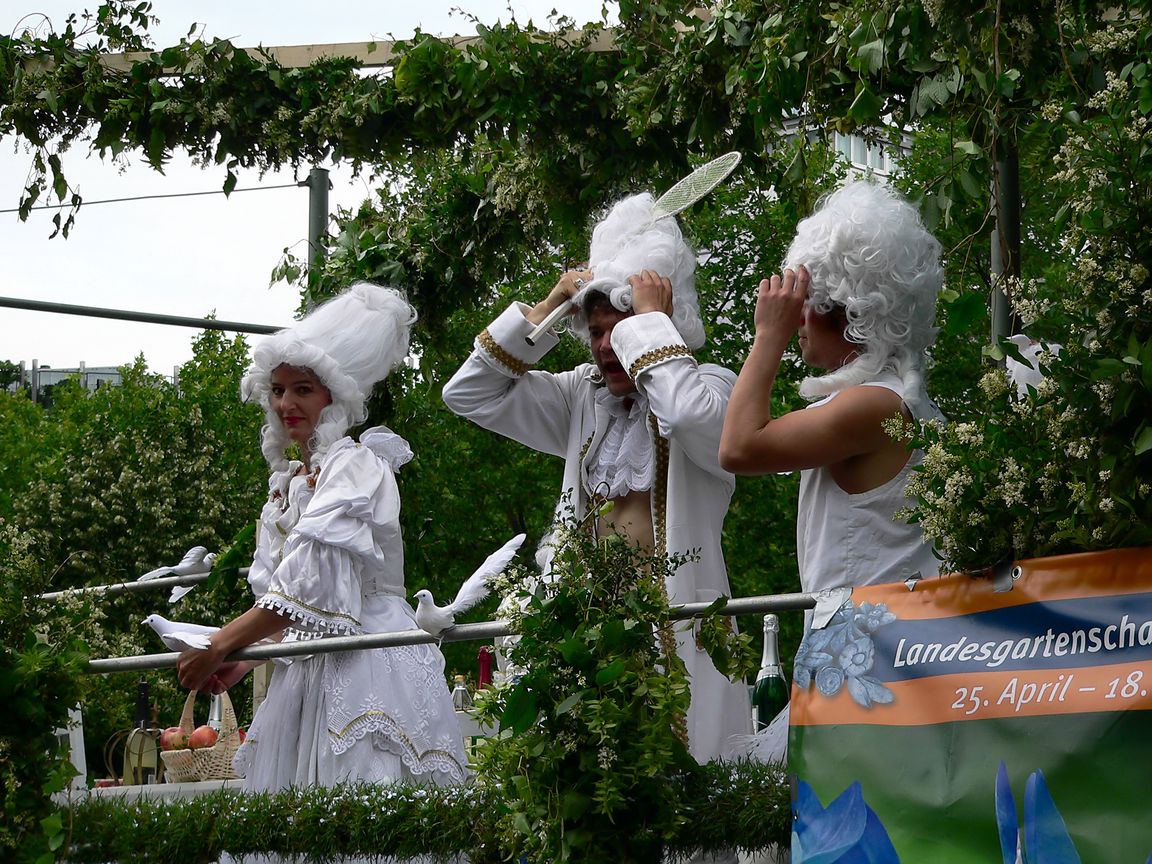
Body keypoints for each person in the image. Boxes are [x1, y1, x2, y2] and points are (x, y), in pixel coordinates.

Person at [442, 192, 751, 765]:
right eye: (596, 330)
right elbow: (466, 394)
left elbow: (685, 417)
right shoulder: (579, 397)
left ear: (661, 327)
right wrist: (551, 304)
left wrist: (656, 325)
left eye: (622, 329)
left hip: (680, 635)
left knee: (690, 805)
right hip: (586, 646)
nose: (606, 346)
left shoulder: (710, 386)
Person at [177, 283, 467, 792]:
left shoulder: (358, 467)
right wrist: (243, 659)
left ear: (334, 397)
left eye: (303, 389)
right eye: (279, 389)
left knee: (363, 809)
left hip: (368, 669)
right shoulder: (286, 489)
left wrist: (222, 642)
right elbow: (287, 608)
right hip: (303, 680)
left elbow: (308, 590)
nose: (286, 402)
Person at [719, 179, 944, 595]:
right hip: (896, 639)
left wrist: (768, 335)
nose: (796, 318)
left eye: (805, 300)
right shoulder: (900, 399)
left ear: (849, 311)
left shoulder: (876, 405)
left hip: (865, 644)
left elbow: (737, 447)